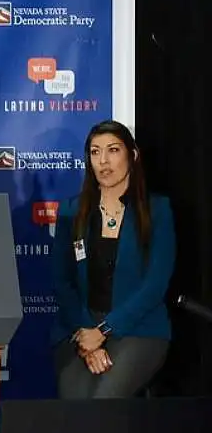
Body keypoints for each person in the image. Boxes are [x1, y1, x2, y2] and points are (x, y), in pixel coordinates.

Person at [51, 120, 175, 398]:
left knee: (104, 399)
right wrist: (87, 336)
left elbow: (155, 284)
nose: (103, 161)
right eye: (95, 152)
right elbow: (62, 280)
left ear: (133, 155)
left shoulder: (157, 211)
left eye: (113, 150)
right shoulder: (72, 211)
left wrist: (104, 330)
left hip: (139, 329)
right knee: (74, 399)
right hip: (81, 328)